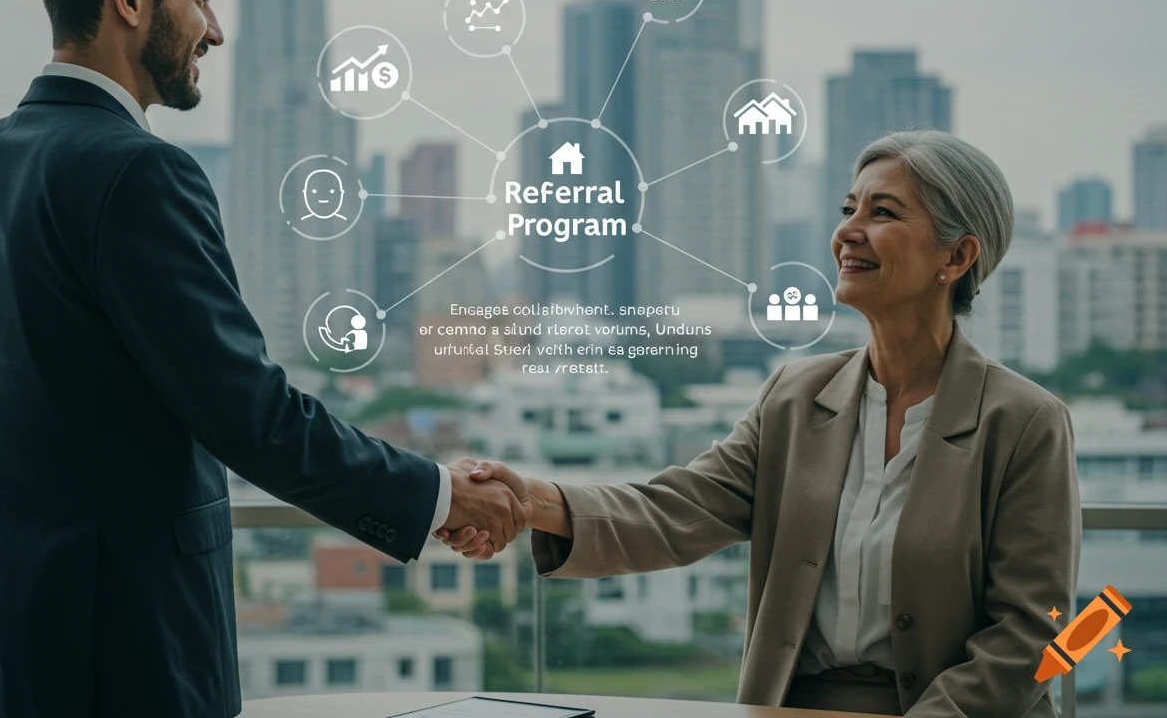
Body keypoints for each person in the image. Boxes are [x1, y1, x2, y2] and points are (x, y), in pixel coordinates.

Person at [0, 0, 523, 718]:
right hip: (128, 654)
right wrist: (439, 496)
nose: (216, 30)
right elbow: (248, 413)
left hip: (3, 644)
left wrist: (36, 553)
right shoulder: (139, 172)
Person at [442, 131, 1081, 717]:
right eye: (849, 209)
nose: (848, 232)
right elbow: (676, 510)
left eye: (882, 213)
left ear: (958, 255)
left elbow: (1036, 632)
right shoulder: (795, 397)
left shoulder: (1025, 423)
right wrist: (529, 500)